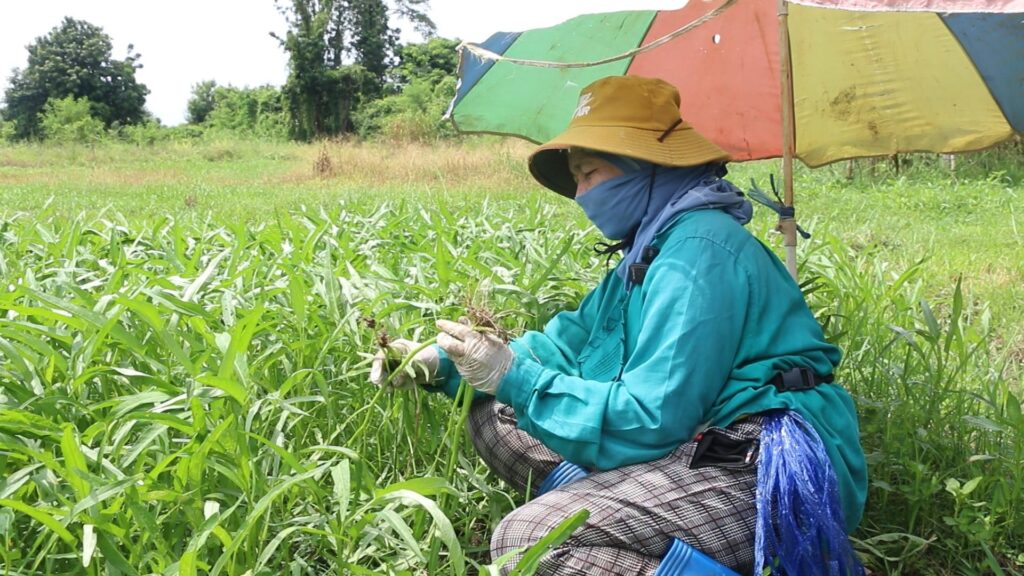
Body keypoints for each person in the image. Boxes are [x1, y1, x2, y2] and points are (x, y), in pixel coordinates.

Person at [370, 75, 867, 575]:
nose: (581, 194)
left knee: (532, 540)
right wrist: (444, 365)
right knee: (492, 409)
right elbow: (561, 346)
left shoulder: (698, 254)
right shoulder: (646, 254)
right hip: (696, 438)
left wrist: (512, 376)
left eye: (590, 173)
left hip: (757, 458)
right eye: (577, 178)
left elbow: (654, 418)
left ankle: (624, 528)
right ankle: (625, 517)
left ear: (645, 166)